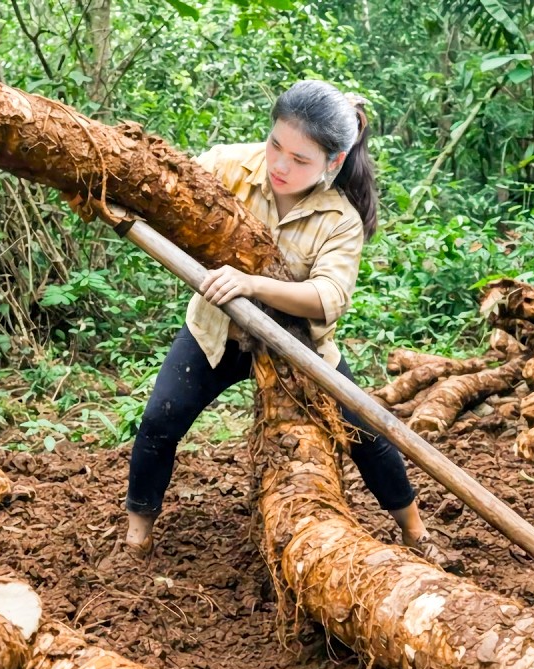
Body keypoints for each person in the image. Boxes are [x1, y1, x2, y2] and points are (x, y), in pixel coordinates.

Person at [125, 79, 447, 565]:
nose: (280, 165)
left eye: (300, 161)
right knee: (159, 422)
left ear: (333, 163)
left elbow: (328, 297)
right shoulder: (228, 166)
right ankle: (136, 539)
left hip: (298, 348)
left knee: (368, 434)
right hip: (216, 332)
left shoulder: (340, 219)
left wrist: (251, 284)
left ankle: (416, 533)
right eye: (277, 145)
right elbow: (167, 190)